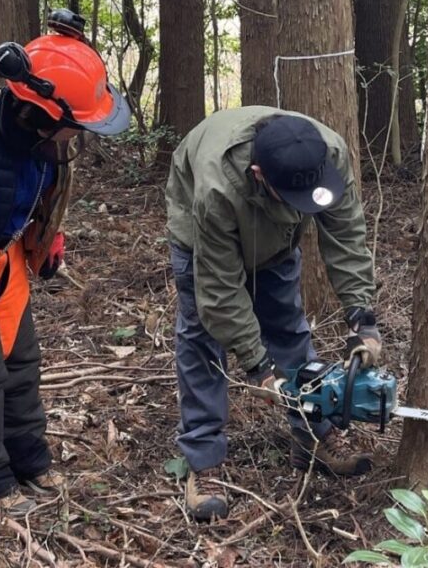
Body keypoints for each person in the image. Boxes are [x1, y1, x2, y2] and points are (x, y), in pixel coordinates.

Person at [165, 108, 384, 522]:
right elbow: (220, 290)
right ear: (259, 174)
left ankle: (313, 435)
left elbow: (347, 235)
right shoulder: (217, 187)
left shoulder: (328, 154)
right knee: (201, 339)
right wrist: (258, 367)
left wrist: (361, 316)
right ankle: (203, 458)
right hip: (202, 234)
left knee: (287, 323)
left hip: (277, 240)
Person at [0, 10, 130, 516]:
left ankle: (31, 462)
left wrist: (48, 235)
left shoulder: (49, 149)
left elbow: (46, 194)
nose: (74, 138)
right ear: (35, 114)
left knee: (22, 366)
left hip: (8, 256)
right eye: (71, 128)